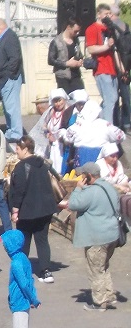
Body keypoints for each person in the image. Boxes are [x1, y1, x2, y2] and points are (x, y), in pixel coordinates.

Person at [68, 162, 122, 311]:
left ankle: (99, 302)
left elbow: (73, 204)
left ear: (88, 176)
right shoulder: (109, 188)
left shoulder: (90, 192)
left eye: (82, 174)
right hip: (112, 235)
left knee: (95, 270)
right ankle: (109, 296)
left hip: (97, 238)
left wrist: (78, 189)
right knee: (103, 266)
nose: (80, 176)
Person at [8, 136, 59, 283]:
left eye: (18, 149)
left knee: (24, 241)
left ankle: (24, 272)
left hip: (27, 211)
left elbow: (19, 191)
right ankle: (46, 271)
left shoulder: (22, 167)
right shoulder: (43, 164)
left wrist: (15, 211)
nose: (16, 152)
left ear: (25, 149)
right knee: (42, 241)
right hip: (45, 209)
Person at [2, 228, 40, 328]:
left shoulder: (16, 263)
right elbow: (29, 280)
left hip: (19, 301)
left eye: (5, 244)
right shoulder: (23, 258)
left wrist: (33, 299)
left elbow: (24, 284)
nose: (4, 246)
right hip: (22, 300)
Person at [0, 17, 24, 142]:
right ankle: (10, 130)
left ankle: (16, 134)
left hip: (10, 79)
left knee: (12, 107)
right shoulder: (3, 38)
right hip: (4, 80)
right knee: (7, 107)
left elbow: (14, 58)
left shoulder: (10, 37)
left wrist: (7, 75)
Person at [64, 99, 125, 168]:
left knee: (82, 176)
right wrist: (113, 142)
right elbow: (121, 136)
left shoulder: (78, 125)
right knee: (99, 175)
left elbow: (67, 138)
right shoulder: (105, 125)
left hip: (82, 156)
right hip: (100, 155)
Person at [86, 4, 120, 123]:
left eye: (109, 14)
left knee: (112, 99)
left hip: (112, 68)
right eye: (106, 14)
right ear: (99, 14)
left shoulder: (108, 29)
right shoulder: (92, 28)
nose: (108, 16)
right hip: (101, 68)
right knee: (110, 98)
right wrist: (106, 46)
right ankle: (107, 126)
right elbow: (91, 49)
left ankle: (98, 119)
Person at [29, 88, 72, 174]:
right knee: (54, 165)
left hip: (64, 144)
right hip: (54, 145)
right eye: (55, 101)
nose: (58, 104)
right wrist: (48, 134)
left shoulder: (69, 111)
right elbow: (44, 125)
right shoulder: (51, 111)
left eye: (60, 100)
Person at [48, 20, 84, 94]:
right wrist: (67, 64)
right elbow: (50, 60)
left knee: (81, 97)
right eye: (75, 31)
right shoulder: (56, 42)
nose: (77, 33)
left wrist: (80, 60)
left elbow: (79, 54)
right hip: (63, 77)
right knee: (66, 99)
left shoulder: (76, 40)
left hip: (76, 76)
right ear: (68, 27)